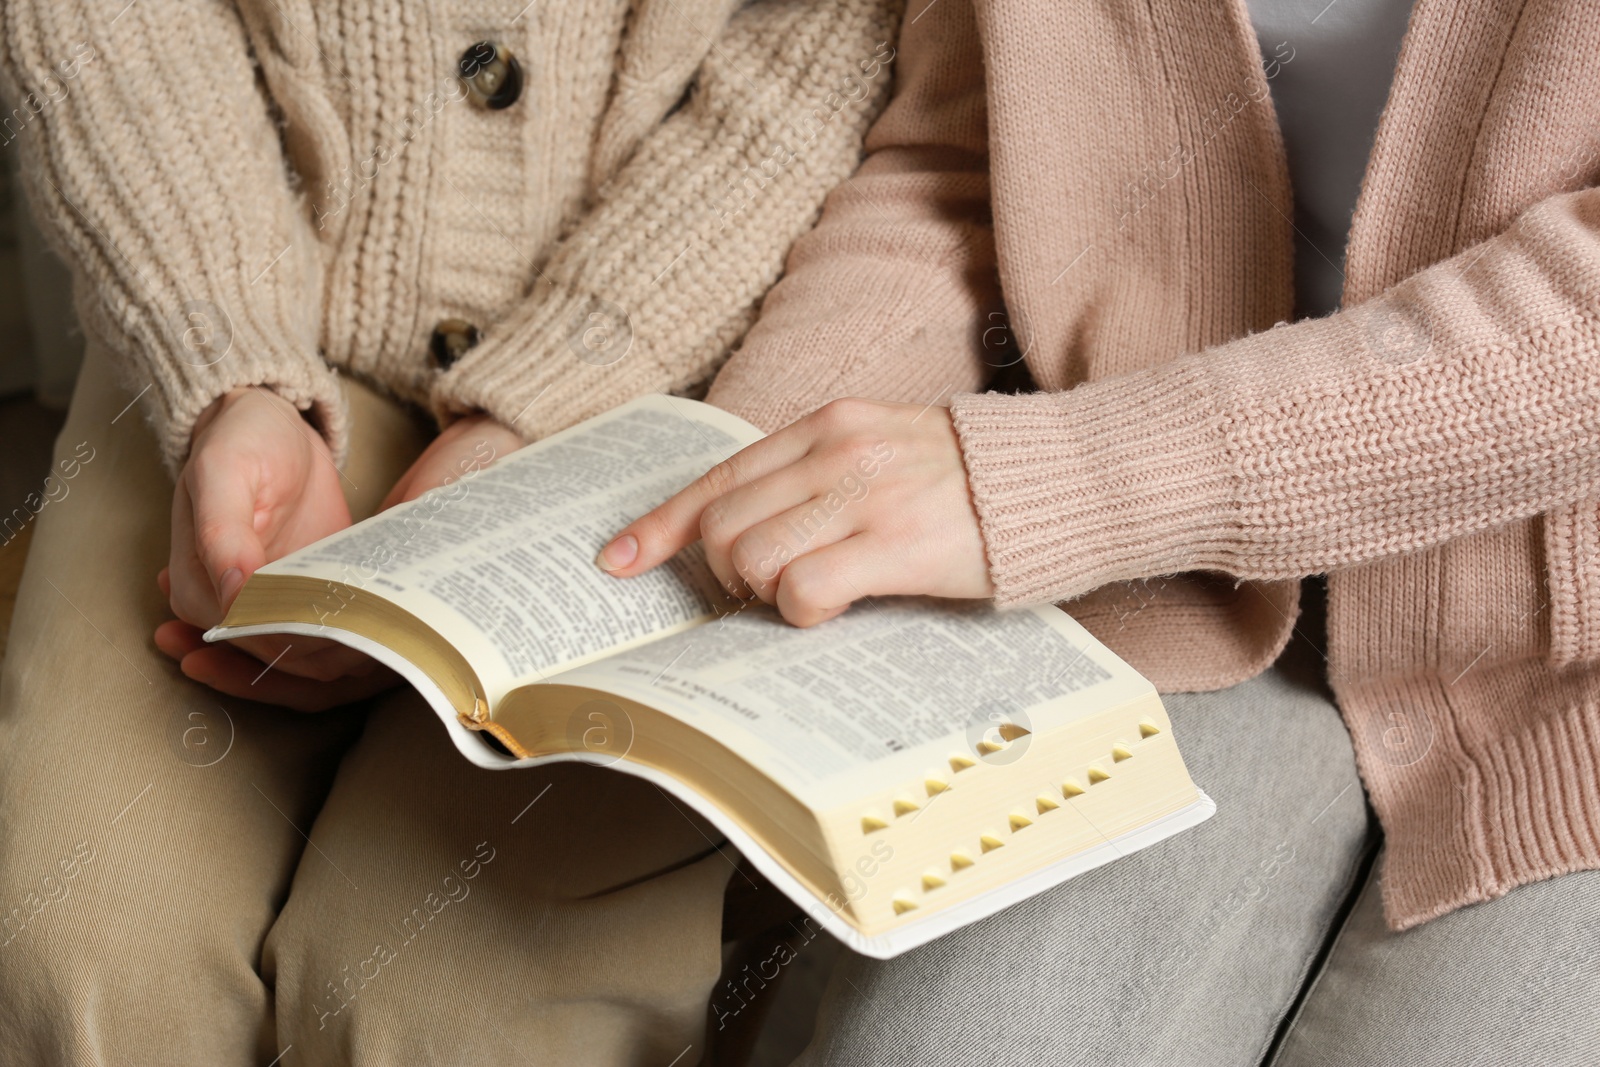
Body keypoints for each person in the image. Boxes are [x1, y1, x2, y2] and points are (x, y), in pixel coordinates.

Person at [602, 0, 1600, 1061]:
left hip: (1562, 674)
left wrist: (1054, 480)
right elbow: (959, 175)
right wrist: (743, 493)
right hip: (1170, 585)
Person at [0, 0, 901, 1063]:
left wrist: (547, 398)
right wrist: (228, 361)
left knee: (457, 1015)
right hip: (237, 317)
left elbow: (817, 67)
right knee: (83, 945)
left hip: (669, 377)